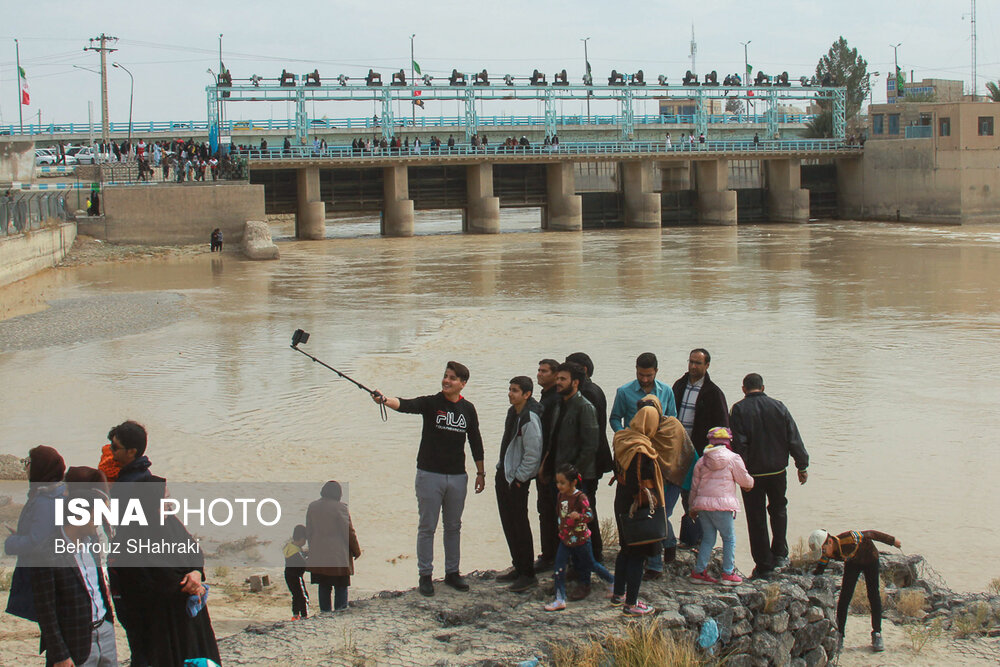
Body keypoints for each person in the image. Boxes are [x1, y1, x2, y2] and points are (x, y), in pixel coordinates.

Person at [373, 361, 485, 596]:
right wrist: (385, 400)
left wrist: (480, 473)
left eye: (452, 378)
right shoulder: (431, 403)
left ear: (463, 383)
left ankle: (452, 573)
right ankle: (425, 576)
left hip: (458, 476)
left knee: (453, 527)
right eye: (445, 376)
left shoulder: (468, 409)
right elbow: (406, 405)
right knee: (427, 527)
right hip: (429, 475)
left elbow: (475, 441)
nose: (446, 380)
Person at [32, 467, 118, 667]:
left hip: (104, 631)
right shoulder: (46, 554)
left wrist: (108, 622)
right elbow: (46, 612)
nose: (99, 523)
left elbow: (97, 586)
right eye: (96, 516)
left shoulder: (92, 543)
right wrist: (60, 655)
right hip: (75, 641)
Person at [730, 373, 809, 579]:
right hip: (777, 471)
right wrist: (802, 466)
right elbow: (793, 437)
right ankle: (780, 554)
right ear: (763, 388)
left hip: (752, 474)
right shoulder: (779, 406)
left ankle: (764, 564)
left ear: (743, 389)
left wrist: (740, 473)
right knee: (779, 509)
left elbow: (740, 444)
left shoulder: (739, 409)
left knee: (756, 517)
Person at [672, 348, 730, 550]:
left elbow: (723, 427)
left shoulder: (713, 393)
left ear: (707, 365)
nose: (693, 366)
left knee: (698, 494)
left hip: (701, 452)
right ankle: (689, 537)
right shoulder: (679, 386)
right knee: (682, 491)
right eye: (691, 362)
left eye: (698, 363)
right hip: (678, 450)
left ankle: (701, 539)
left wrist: (716, 454)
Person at [610, 402, 664, 616]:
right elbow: (638, 482)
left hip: (621, 500)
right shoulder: (641, 449)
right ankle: (631, 604)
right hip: (637, 506)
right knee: (637, 554)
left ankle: (618, 594)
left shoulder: (622, 439)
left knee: (625, 548)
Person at [810, 528, 901, 653]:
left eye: (823, 550)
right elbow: (823, 561)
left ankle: (877, 634)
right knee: (844, 598)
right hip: (853, 563)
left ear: (830, 542)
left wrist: (892, 541)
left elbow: (872, 533)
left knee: (873, 595)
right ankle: (840, 635)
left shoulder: (850, 538)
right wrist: (816, 574)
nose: (823, 554)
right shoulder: (828, 551)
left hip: (870, 559)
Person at [4, 446, 65, 624]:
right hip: (52, 571)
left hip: (42, 574)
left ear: (40, 467)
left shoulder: (45, 500)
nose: (25, 467)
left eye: (28, 462)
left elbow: (38, 542)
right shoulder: (56, 493)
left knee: (50, 626)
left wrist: (11, 542)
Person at [494, 376, 543, 592]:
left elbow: (533, 453)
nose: (510, 394)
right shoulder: (513, 412)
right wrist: (501, 468)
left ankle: (528, 574)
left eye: (515, 390)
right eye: (510, 389)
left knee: (520, 525)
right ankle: (518, 566)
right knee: (509, 523)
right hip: (505, 474)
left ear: (527, 394)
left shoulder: (529, 417)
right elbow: (508, 443)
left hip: (516, 480)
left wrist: (520, 478)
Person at [688, 427, 754, 586]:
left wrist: (692, 508)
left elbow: (694, 487)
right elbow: (745, 480)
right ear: (727, 442)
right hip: (723, 506)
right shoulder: (733, 458)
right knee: (729, 538)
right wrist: (751, 483)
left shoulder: (702, 461)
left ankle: (699, 572)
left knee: (708, 538)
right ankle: (728, 573)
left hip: (703, 506)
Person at [544, 464, 614, 611]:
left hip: (581, 540)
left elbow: (590, 515)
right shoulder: (560, 495)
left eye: (562, 483)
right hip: (565, 539)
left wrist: (579, 516)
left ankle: (614, 582)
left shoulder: (580, 497)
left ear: (573, 482)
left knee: (591, 564)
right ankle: (560, 598)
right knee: (559, 567)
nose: (559, 486)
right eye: (557, 482)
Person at [564, 352, 612, 562]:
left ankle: (593, 554)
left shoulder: (587, 394)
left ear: (582, 370)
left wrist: (576, 467)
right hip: (591, 461)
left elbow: (589, 435)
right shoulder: (593, 390)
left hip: (589, 463)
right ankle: (591, 553)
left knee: (584, 508)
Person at [306, 481, 361, 612]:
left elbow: (309, 531)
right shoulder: (340, 508)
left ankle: (325, 613)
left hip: (319, 555)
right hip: (337, 556)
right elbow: (348, 532)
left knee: (324, 586)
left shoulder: (312, 507)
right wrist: (356, 550)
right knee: (341, 586)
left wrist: (312, 549)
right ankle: (340, 612)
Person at [534, 358, 561, 572]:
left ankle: (551, 556)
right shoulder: (546, 397)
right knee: (545, 509)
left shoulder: (554, 400)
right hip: (544, 462)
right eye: (539, 370)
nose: (539, 374)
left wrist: (544, 464)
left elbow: (552, 436)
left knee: (549, 510)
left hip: (549, 465)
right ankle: (550, 554)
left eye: (544, 371)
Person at [284, 524, 309, 619]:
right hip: (297, 576)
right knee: (303, 596)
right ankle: (304, 615)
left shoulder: (289, 547)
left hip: (288, 575)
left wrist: (304, 553)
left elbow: (298, 555)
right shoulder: (296, 552)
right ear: (302, 539)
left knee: (295, 595)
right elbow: (304, 563)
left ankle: (295, 614)